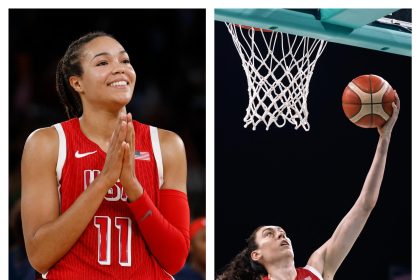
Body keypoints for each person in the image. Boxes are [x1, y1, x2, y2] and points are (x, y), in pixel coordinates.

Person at [21, 32, 190, 279]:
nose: (120, 69)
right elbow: (40, 256)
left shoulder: (167, 145)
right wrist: (104, 180)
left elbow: (174, 259)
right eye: (102, 63)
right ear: (77, 83)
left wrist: (132, 185)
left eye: (125, 61)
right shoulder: (47, 143)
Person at [217, 95, 400, 280]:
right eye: (269, 234)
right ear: (256, 255)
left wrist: (385, 139)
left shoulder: (317, 269)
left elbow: (365, 205)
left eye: (282, 232)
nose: (280, 234)